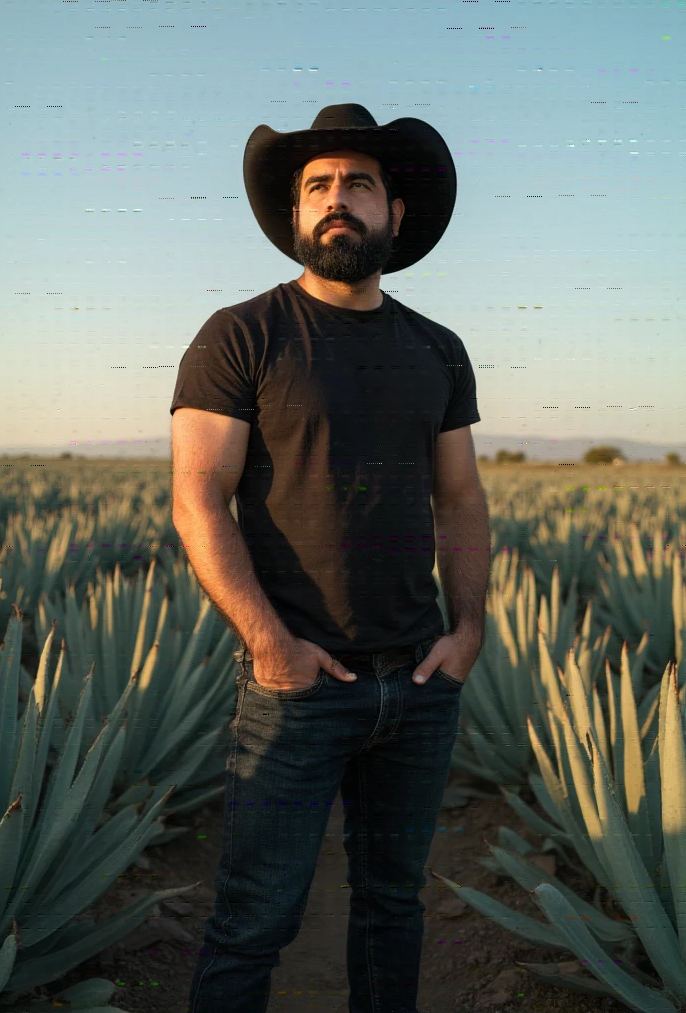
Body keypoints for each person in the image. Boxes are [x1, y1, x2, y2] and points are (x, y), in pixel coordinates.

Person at [170, 103, 491, 1013]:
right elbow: (198, 496)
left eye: (358, 184)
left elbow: (461, 498)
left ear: (396, 212)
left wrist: (466, 632)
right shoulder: (242, 334)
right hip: (296, 686)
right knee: (252, 925)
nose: (336, 200)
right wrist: (272, 646)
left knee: (394, 911)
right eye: (318, 187)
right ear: (297, 216)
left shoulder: (439, 349)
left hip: (420, 683)